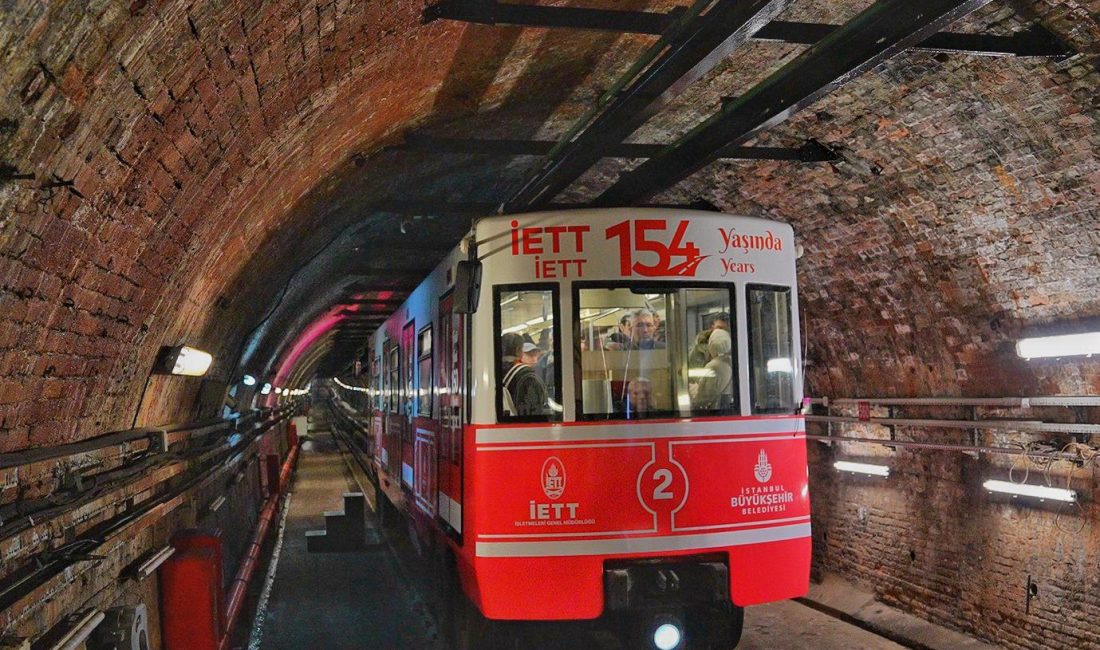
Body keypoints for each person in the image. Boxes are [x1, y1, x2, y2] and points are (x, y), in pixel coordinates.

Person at [501, 336, 549, 417]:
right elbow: (534, 414)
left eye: (536, 355)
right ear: (519, 351)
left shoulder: (494, 372)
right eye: (530, 355)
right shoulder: (529, 378)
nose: (535, 360)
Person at [694, 328, 733, 410]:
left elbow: (703, 398)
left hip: (716, 411)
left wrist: (691, 388)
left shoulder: (713, 366)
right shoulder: (730, 363)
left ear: (711, 345)